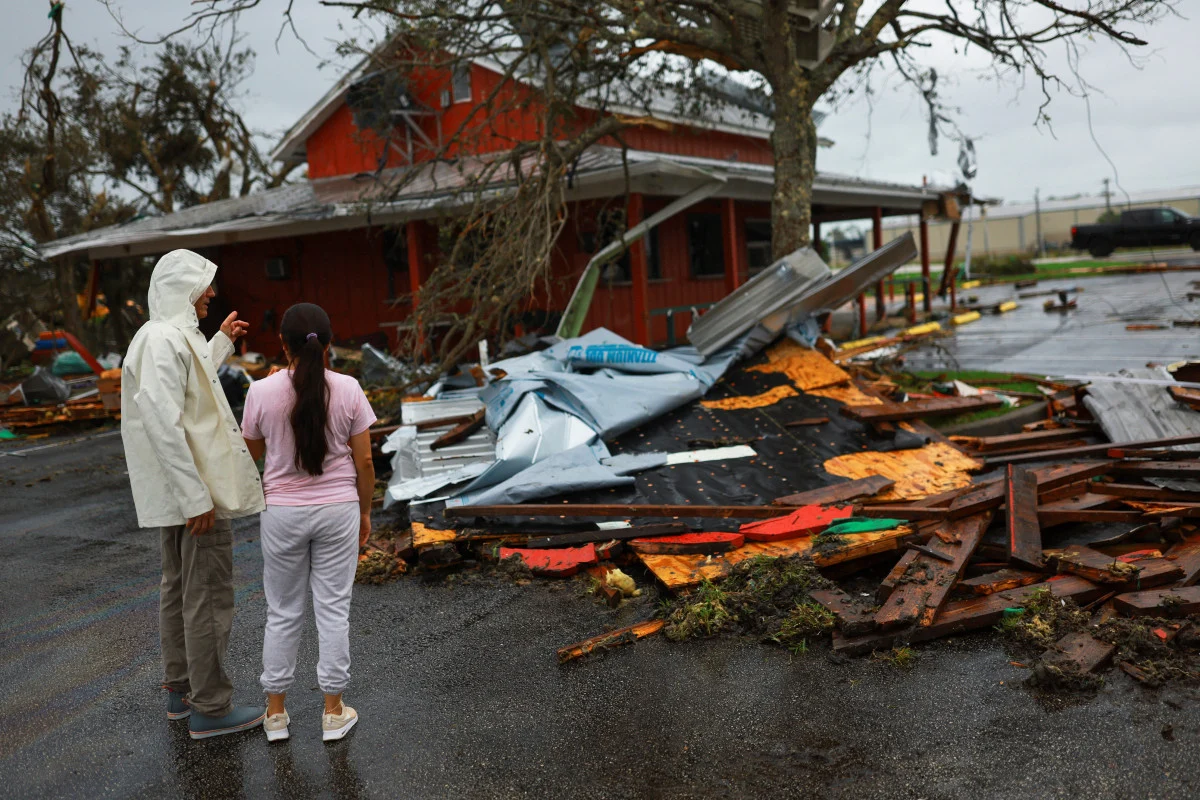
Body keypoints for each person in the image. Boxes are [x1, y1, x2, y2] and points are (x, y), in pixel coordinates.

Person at [120, 249, 267, 740]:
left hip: (182, 497)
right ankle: (211, 706)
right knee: (205, 595)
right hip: (195, 496)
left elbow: (192, 378)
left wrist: (221, 340)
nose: (211, 294)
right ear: (183, 287)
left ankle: (181, 693)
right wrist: (195, 496)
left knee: (180, 590)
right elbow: (164, 421)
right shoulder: (163, 339)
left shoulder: (163, 336)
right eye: (205, 285)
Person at [240, 303, 376, 743]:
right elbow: (366, 461)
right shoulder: (350, 389)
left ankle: (275, 713)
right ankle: (333, 712)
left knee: (282, 611)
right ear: (330, 343)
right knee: (333, 610)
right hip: (339, 509)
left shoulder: (260, 392)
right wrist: (366, 511)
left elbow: (251, 454)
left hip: (281, 512)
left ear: (283, 344)